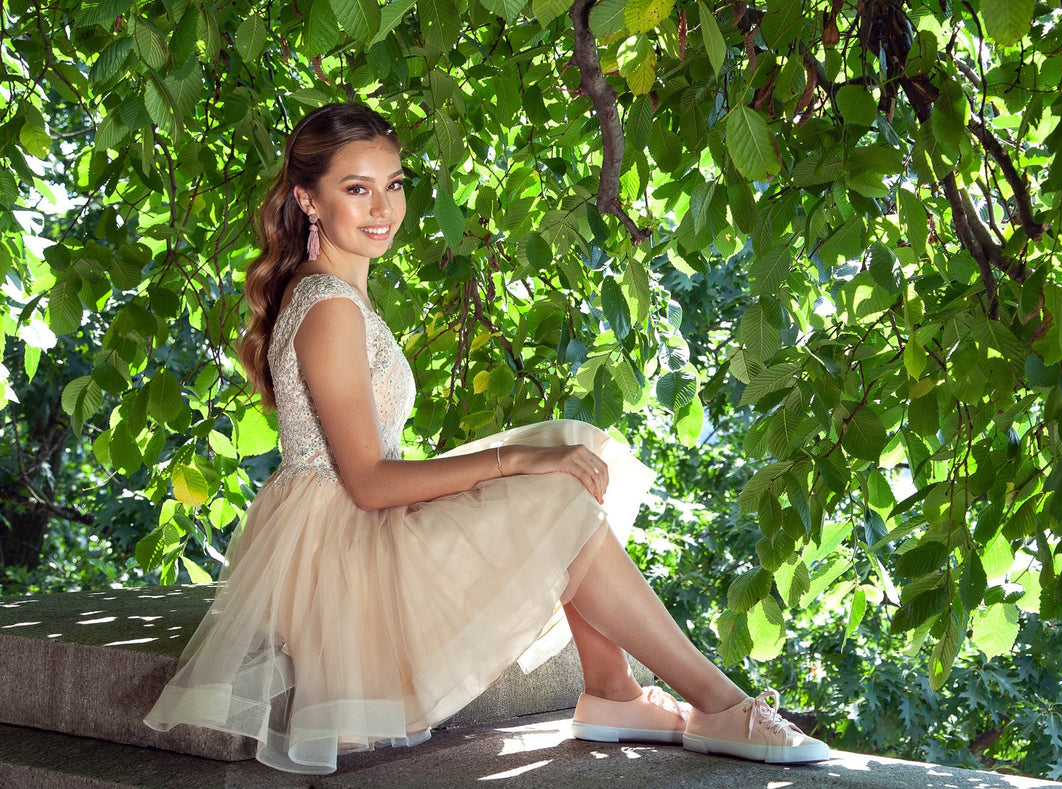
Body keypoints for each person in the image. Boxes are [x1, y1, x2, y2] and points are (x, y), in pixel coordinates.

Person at [142, 102, 829, 774]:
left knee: (571, 440)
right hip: (346, 555)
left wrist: (532, 455)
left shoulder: (336, 293)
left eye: (394, 184)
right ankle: (717, 702)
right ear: (309, 200)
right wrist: (515, 459)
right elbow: (369, 482)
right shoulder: (327, 309)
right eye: (357, 189)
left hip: (349, 522)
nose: (383, 208)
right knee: (551, 486)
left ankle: (612, 691)